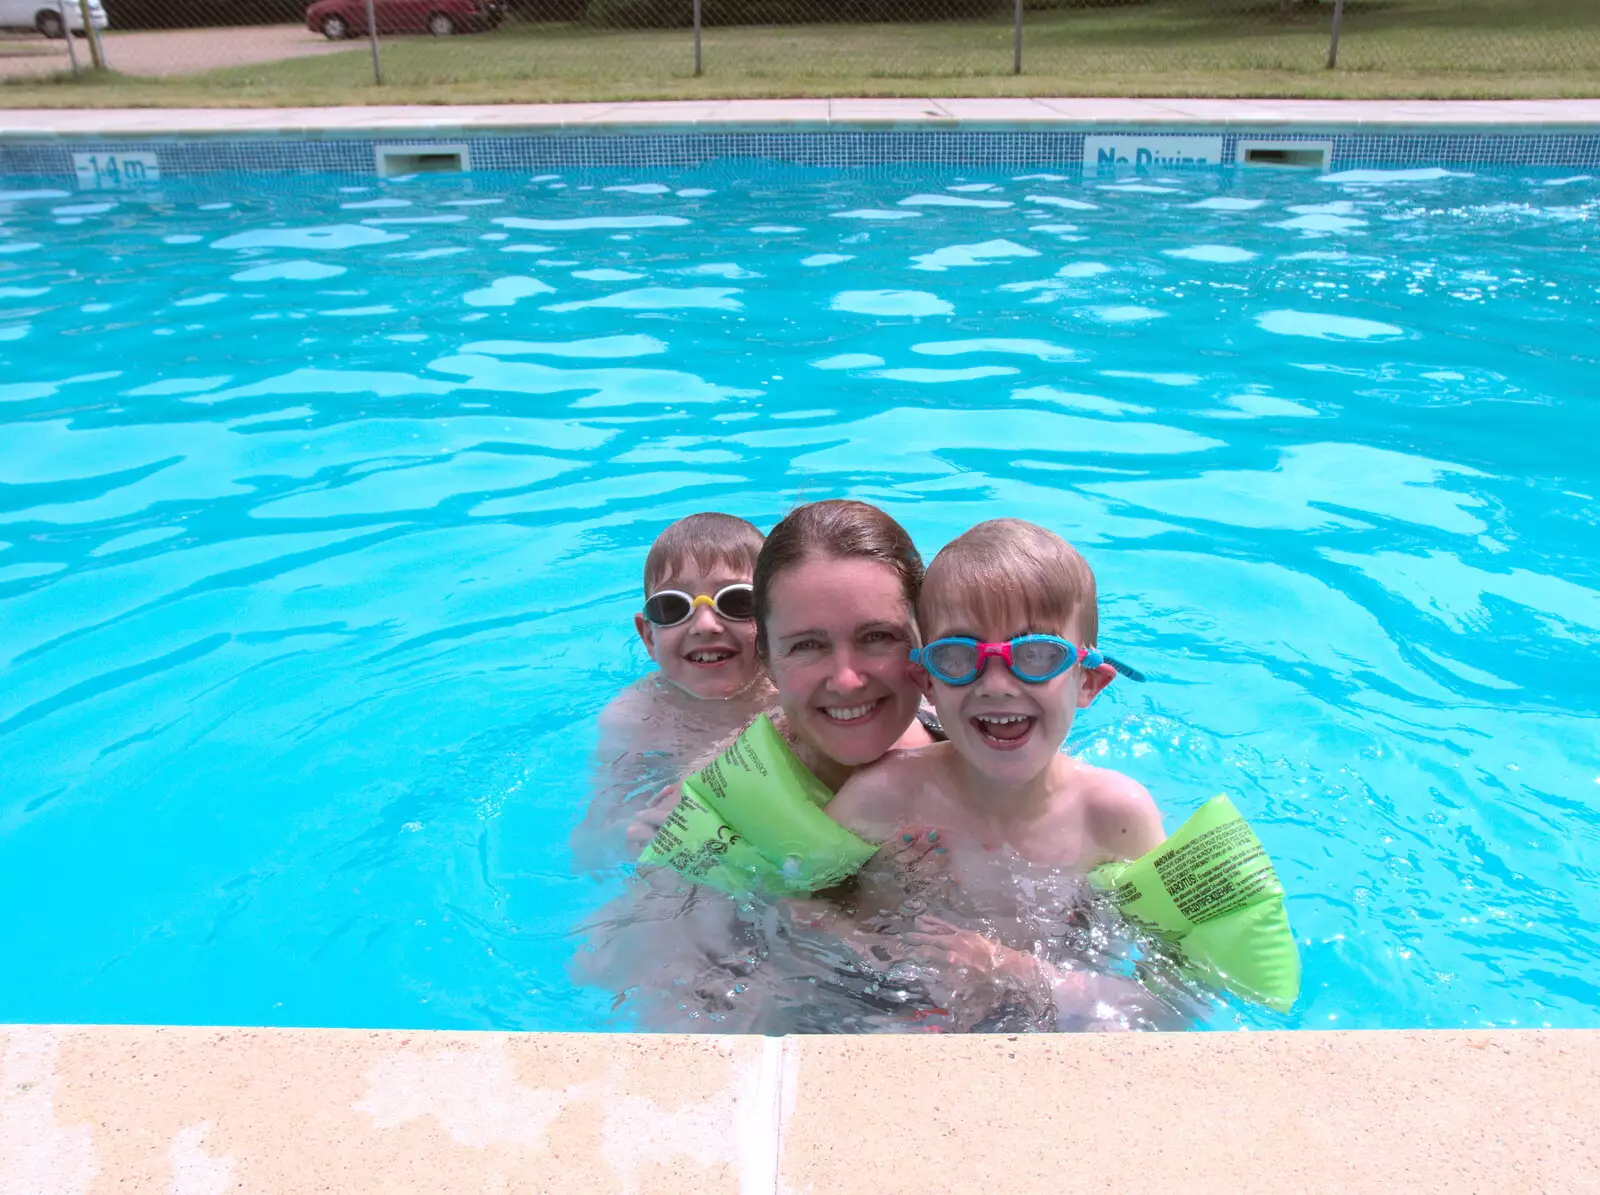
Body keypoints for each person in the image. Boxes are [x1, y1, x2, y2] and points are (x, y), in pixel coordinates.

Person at [812, 519, 1171, 1030]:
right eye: (959, 657)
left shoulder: (1114, 817)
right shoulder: (886, 796)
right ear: (928, 684)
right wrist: (871, 921)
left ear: (1088, 681)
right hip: (898, 1008)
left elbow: (1177, 997)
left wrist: (1009, 970)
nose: (997, 684)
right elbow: (789, 904)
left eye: (1037, 656)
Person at [571, 512, 774, 870]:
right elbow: (588, 845)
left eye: (736, 602)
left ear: (777, 620)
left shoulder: (792, 700)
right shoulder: (635, 718)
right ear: (648, 636)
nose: (706, 625)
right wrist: (627, 834)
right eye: (672, 607)